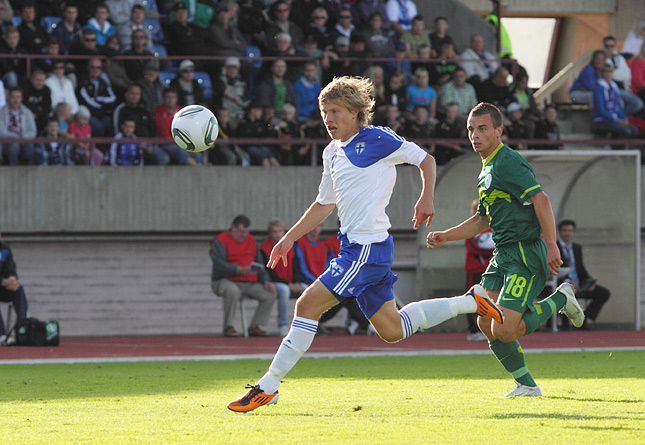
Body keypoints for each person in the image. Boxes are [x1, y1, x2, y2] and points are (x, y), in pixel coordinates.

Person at [227, 76, 504, 412]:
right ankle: (470, 301)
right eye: (324, 111)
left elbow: (426, 160)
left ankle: (267, 387)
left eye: (336, 111)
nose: (328, 118)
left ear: (357, 112)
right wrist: (288, 238)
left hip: (366, 249)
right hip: (355, 249)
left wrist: (425, 197)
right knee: (392, 330)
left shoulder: (377, 138)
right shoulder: (331, 152)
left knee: (306, 306)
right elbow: (324, 205)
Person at [426, 102, 586, 397]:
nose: (475, 135)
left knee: (506, 329)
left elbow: (542, 200)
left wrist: (552, 244)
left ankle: (559, 298)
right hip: (503, 254)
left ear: (499, 131)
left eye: (483, 129)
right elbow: (482, 220)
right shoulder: (486, 170)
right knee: (485, 321)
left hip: (525, 253)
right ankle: (526, 385)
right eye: (471, 129)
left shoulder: (508, 162)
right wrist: (446, 236)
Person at [210, 215, 277, 338]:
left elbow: (260, 264)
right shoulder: (220, 241)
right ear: (233, 228)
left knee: (270, 293)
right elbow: (219, 265)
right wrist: (238, 270)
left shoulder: (251, 240)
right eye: (241, 232)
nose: (243, 235)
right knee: (232, 290)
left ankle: (256, 326)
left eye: (246, 232)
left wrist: (266, 280)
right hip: (225, 280)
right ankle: (229, 326)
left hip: (248, 282)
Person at [557, 220, 611, 329]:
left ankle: (584, 317)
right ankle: (564, 325)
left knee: (603, 293)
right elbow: (556, 270)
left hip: (578, 284)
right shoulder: (555, 247)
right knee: (563, 294)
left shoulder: (576, 248)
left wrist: (589, 281)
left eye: (570, 231)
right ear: (559, 232)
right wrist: (568, 281)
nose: (567, 233)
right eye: (564, 231)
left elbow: (581, 269)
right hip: (562, 284)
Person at [260, 219, 305, 337]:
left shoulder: (290, 245)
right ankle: (283, 325)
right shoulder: (265, 247)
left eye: (279, 231)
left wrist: (296, 282)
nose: (277, 234)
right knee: (284, 290)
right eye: (274, 232)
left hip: (290, 282)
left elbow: (295, 266)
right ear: (269, 233)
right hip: (275, 282)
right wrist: (288, 284)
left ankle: (306, 325)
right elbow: (269, 271)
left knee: (307, 289)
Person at [464, 199, 494, 341]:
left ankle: (489, 328)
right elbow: (474, 246)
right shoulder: (471, 228)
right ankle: (473, 330)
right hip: (475, 269)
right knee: (472, 298)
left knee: (491, 298)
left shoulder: (493, 228)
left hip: (491, 270)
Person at [153, 88, 198, 166]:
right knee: (180, 151)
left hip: (181, 143)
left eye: (173, 97)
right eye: (168, 97)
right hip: (166, 144)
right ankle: (198, 169)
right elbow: (165, 136)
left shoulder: (181, 111)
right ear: (163, 99)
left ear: (176, 99)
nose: (170, 100)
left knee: (198, 153)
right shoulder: (159, 113)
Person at [78, 57, 118, 137]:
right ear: (88, 68)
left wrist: (98, 99)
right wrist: (103, 105)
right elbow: (86, 100)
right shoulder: (83, 81)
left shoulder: (103, 81)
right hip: (89, 114)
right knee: (98, 127)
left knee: (112, 124)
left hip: (102, 114)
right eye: (92, 67)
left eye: (98, 67)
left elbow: (113, 98)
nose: (95, 70)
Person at [0, 232, 29, 339]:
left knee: (19, 289)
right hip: (1, 283)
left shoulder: (4, 248)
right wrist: (2, 281)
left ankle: (22, 327)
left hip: (3, 287)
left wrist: (12, 279)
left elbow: (10, 267)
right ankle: (0, 333)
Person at [0, 87, 37, 165]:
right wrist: (16, 137)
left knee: (30, 147)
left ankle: (30, 172)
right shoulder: (1, 113)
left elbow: (32, 132)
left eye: (18, 97)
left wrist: (23, 137)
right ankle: (14, 169)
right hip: (7, 142)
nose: (15, 100)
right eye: (13, 97)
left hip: (24, 141)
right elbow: (1, 131)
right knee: (14, 145)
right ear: (8, 98)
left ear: (21, 99)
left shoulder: (27, 112)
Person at [212, 56, 250, 128]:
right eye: (229, 68)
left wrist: (234, 98)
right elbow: (222, 91)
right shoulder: (219, 81)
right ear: (225, 69)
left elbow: (246, 102)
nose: (232, 70)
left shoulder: (243, 83)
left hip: (239, 116)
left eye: (234, 68)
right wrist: (223, 76)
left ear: (238, 69)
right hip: (224, 117)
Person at [23, 69, 52, 133]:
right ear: (31, 79)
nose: (40, 83)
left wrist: (37, 114)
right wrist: (36, 110)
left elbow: (47, 108)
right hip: (25, 115)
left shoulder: (46, 90)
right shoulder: (25, 88)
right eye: (37, 80)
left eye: (42, 80)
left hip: (39, 116)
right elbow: (23, 104)